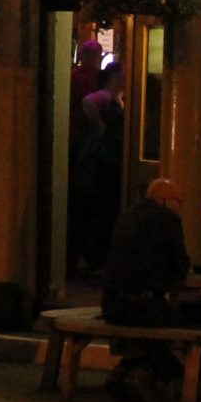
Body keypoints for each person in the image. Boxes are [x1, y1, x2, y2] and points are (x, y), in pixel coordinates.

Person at [100, 178, 201, 402]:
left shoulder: (125, 217)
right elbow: (181, 267)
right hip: (142, 306)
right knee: (196, 325)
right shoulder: (168, 219)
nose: (181, 207)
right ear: (166, 200)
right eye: (180, 201)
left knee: (157, 324)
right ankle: (147, 375)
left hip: (111, 306)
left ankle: (125, 369)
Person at [73, 63, 127, 273]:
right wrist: (99, 125)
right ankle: (92, 259)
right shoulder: (106, 95)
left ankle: (93, 259)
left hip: (109, 161)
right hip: (106, 162)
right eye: (122, 74)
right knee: (103, 211)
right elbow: (88, 101)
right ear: (114, 76)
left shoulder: (116, 98)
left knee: (102, 211)